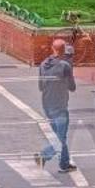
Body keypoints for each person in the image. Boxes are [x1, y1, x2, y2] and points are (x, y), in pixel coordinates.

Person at [36, 37, 78, 172]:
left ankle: (64, 164)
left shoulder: (43, 65)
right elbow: (72, 87)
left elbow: (41, 86)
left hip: (47, 104)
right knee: (60, 137)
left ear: (52, 49)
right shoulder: (65, 66)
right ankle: (43, 155)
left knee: (61, 135)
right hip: (60, 105)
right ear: (64, 50)